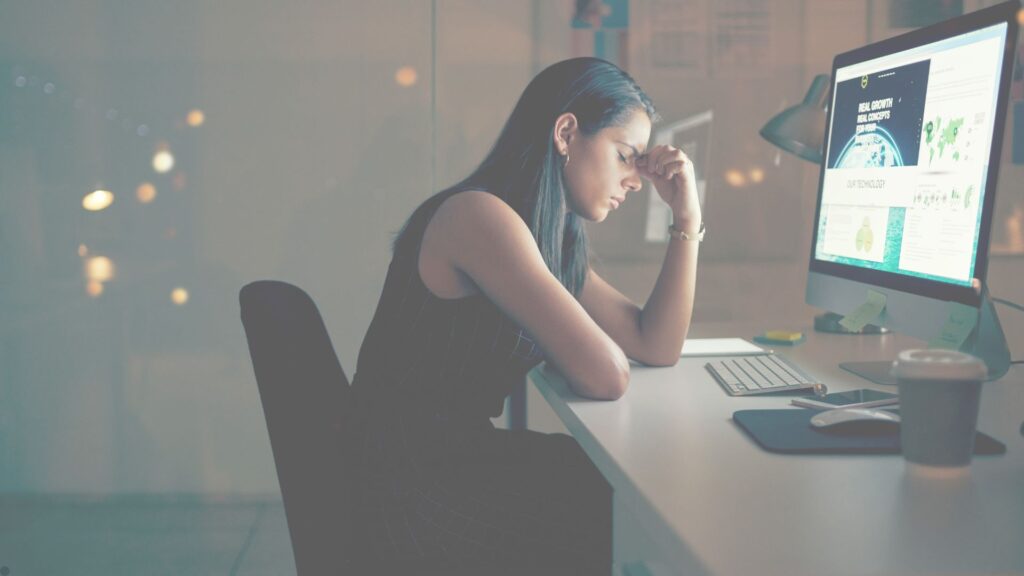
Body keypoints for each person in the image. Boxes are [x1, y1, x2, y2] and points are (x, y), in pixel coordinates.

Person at [349, 57, 701, 575]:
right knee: (618, 506)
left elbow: (655, 343)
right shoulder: (479, 218)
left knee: (613, 488)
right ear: (566, 133)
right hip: (408, 488)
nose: (635, 181)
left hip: (449, 460)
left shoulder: (545, 236)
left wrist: (687, 219)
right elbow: (608, 375)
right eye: (626, 156)